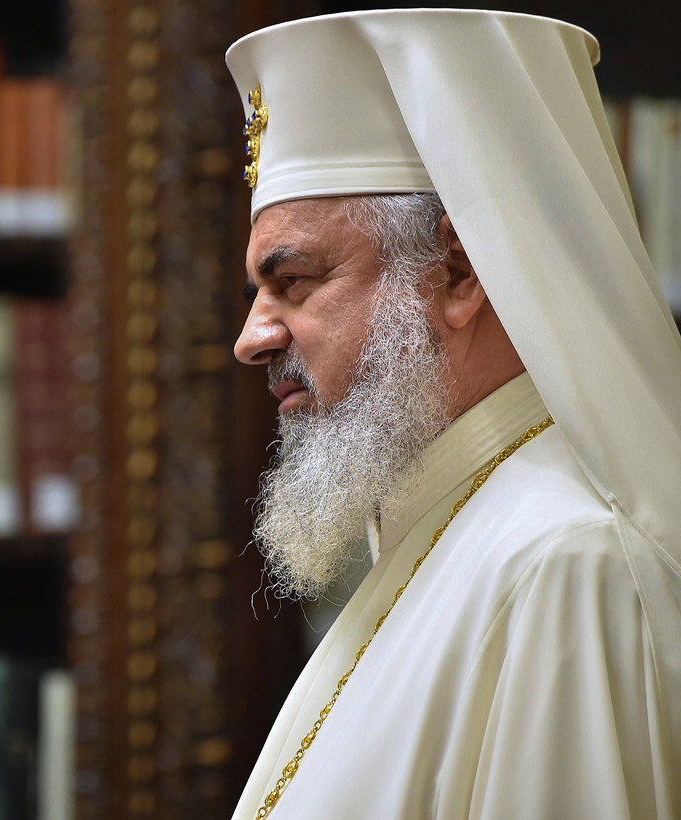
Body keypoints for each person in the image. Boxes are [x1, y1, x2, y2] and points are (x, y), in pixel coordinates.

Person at [226, 9, 681, 819]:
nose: (251, 339)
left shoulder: (566, 566)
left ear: (459, 271)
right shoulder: (442, 532)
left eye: (293, 282)